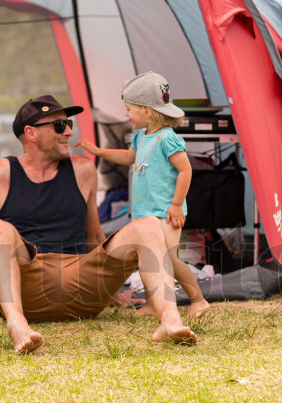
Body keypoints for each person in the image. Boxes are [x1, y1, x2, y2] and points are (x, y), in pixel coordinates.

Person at [0, 95, 196, 353]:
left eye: (68, 124)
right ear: (30, 133)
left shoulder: (83, 170)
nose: (67, 131)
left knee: (149, 225)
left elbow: (94, 236)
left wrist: (113, 290)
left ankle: (169, 319)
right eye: (58, 125)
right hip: (30, 288)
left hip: (83, 288)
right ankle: (17, 323)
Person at [75, 72, 210, 318]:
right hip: (144, 213)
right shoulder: (140, 136)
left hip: (165, 213)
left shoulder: (168, 139)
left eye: (128, 109)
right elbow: (129, 158)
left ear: (147, 111)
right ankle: (152, 303)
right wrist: (98, 151)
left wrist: (177, 205)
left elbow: (185, 170)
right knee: (147, 258)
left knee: (169, 259)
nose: (125, 114)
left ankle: (198, 300)